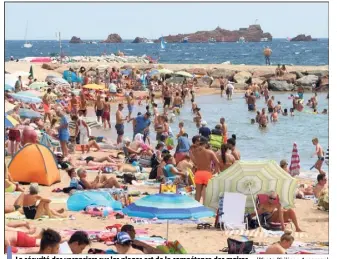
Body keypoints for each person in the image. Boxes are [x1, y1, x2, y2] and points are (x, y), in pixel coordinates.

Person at [190, 137, 220, 203]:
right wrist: (216, 171)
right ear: (205, 144)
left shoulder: (195, 151)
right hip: (207, 173)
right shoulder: (210, 152)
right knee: (206, 193)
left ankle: (196, 206)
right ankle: (205, 207)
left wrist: (195, 145)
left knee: (198, 193)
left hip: (198, 173)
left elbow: (194, 161)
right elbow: (217, 162)